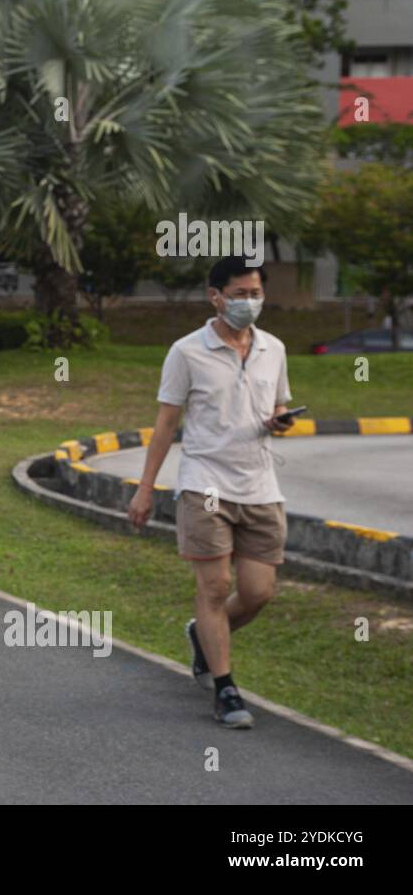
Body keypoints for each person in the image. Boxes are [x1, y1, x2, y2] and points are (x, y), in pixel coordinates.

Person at [127, 256, 296, 729]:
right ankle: (226, 690)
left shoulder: (274, 349)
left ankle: (202, 635)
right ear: (215, 296)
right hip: (205, 482)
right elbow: (165, 425)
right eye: (240, 294)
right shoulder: (186, 352)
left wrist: (281, 420)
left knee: (258, 593)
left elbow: (277, 404)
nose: (249, 302)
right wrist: (145, 489)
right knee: (215, 586)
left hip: (261, 485)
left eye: (256, 294)